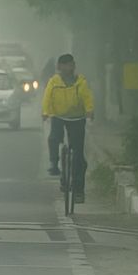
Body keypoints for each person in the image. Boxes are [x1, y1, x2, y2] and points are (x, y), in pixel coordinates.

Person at [42, 53, 93, 201]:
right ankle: (54, 162)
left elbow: (87, 97)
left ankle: (78, 190)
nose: (66, 68)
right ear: (59, 67)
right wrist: (46, 112)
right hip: (58, 116)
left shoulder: (80, 82)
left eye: (69, 65)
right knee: (53, 138)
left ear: (73, 66)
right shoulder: (54, 81)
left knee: (78, 157)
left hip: (77, 118)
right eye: (63, 65)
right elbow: (47, 97)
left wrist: (89, 111)